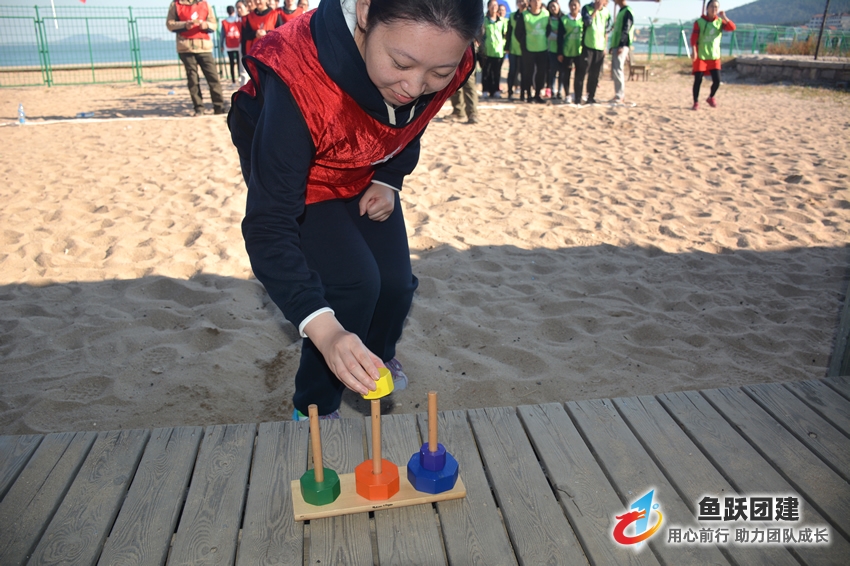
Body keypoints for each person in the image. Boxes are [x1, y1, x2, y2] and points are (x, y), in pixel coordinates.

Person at [228, 0, 480, 420]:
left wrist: (390, 177)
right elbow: (269, 226)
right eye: (401, 63)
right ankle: (315, 405)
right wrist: (327, 334)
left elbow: (414, 120)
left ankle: (374, 358)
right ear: (365, 10)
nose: (414, 86)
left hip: (366, 168)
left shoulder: (450, 53)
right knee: (353, 286)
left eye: (438, 73)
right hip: (302, 178)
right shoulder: (298, 76)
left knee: (396, 285)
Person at [166, 0, 226, 116]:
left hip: (204, 48)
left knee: (213, 77)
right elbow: (170, 24)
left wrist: (206, 25)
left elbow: (214, 24)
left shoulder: (205, 4)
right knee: (192, 79)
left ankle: (219, 106)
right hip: (186, 48)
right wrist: (184, 25)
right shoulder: (176, 5)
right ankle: (199, 107)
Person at [691, 0, 735, 110]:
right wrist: (694, 50)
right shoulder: (699, 22)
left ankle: (711, 97)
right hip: (701, 55)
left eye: (716, 7)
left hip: (714, 55)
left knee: (717, 80)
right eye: (711, 6)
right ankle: (696, 102)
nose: (714, 9)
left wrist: (724, 17)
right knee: (698, 80)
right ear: (707, 8)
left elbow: (732, 28)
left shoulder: (720, 22)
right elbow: (694, 38)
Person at [573, 0, 609, 105]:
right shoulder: (586, 8)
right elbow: (587, 23)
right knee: (582, 72)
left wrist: (605, 46)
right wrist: (595, 10)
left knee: (595, 74)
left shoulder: (606, 12)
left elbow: (606, 30)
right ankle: (578, 97)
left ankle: (591, 97)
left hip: (600, 47)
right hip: (587, 46)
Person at [515, 0, 550, 103]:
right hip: (528, 49)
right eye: (534, 1)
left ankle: (537, 94)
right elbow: (518, 32)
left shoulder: (546, 14)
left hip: (542, 48)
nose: (536, 3)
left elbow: (548, 29)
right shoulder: (524, 15)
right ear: (530, 2)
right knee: (528, 73)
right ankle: (529, 95)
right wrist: (524, 43)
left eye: (539, 0)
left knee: (541, 73)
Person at [481, 0, 508, 98]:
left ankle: (495, 90)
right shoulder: (484, 20)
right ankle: (485, 90)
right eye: (491, 5)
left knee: (496, 72)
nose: (494, 7)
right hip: (487, 50)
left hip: (499, 51)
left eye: (495, 5)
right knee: (486, 72)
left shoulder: (502, 21)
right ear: (488, 7)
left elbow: (505, 35)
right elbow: (481, 34)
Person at [557, 0, 582, 104]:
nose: (573, 7)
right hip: (567, 51)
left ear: (579, 6)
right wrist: (560, 52)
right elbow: (560, 37)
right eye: (571, 5)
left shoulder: (583, 19)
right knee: (566, 74)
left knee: (579, 75)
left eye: (575, 5)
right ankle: (567, 95)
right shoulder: (564, 20)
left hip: (580, 51)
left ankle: (577, 95)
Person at [609, 0, 633, 104]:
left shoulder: (627, 12)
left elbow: (626, 29)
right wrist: (612, 45)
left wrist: (622, 45)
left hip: (621, 45)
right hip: (616, 44)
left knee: (618, 69)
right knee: (615, 70)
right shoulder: (621, 11)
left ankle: (620, 95)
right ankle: (618, 94)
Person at [505, 0, 526, 100]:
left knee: (524, 71)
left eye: (523, 1)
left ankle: (522, 93)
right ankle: (510, 92)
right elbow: (509, 32)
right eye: (519, 1)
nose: (521, 3)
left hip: (525, 49)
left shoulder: (529, 15)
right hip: (513, 48)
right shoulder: (513, 15)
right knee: (512, 70)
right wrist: (507, 46)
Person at [220, 6, 243, 84]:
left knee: (231, 63)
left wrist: (221, 45)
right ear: (234, 11)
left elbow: (222, 35)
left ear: (227, 12)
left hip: (229, 45)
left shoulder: (224, 22)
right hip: (238, 43)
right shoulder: (238, 20)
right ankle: (239, 77)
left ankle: (233, 80)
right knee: (239, 62)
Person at [545, 1, 562, 99]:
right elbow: (547, 34)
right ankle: (552, 91)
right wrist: (556, 34)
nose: (553, 8)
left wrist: (557, 33)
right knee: (552, 71)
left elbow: (565, 33)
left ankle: (560, 91)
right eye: (551, 7)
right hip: (551, 49)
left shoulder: (564, 18)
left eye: (554, 6)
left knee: (562, 72)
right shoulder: (548, 19)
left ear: (559, 6)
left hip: (563, 49)